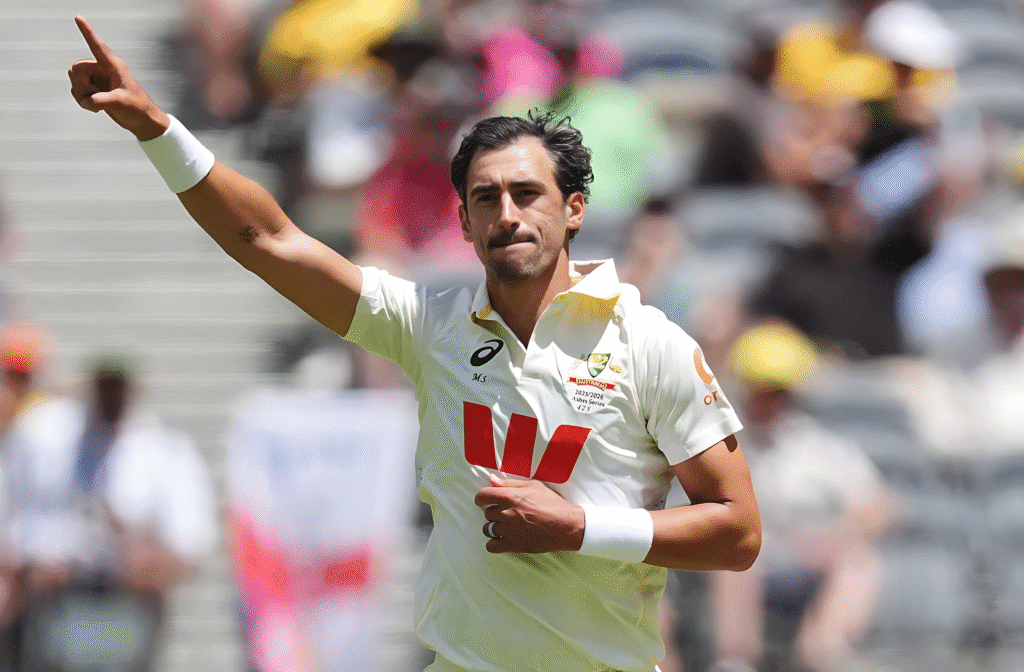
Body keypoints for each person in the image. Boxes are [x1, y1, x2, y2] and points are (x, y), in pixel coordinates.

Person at [68, 16, 761, 672]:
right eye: (486, 199)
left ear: (575, 208)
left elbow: (738, 533)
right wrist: (157, 129)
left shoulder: (650, 344)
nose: (508, 214)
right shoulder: (429, 324)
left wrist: (579, 528)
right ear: (461, 221)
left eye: (528, 193)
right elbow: (272, 241)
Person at [2, 352, 216, 672]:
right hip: (57, 607)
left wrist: (140, 555)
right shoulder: (46, 437)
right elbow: (15, 526)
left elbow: (190, 545)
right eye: (104, 387)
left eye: (118, 387)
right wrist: (45, 558)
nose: (110, 397)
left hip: (128, 609)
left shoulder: (163, 450)